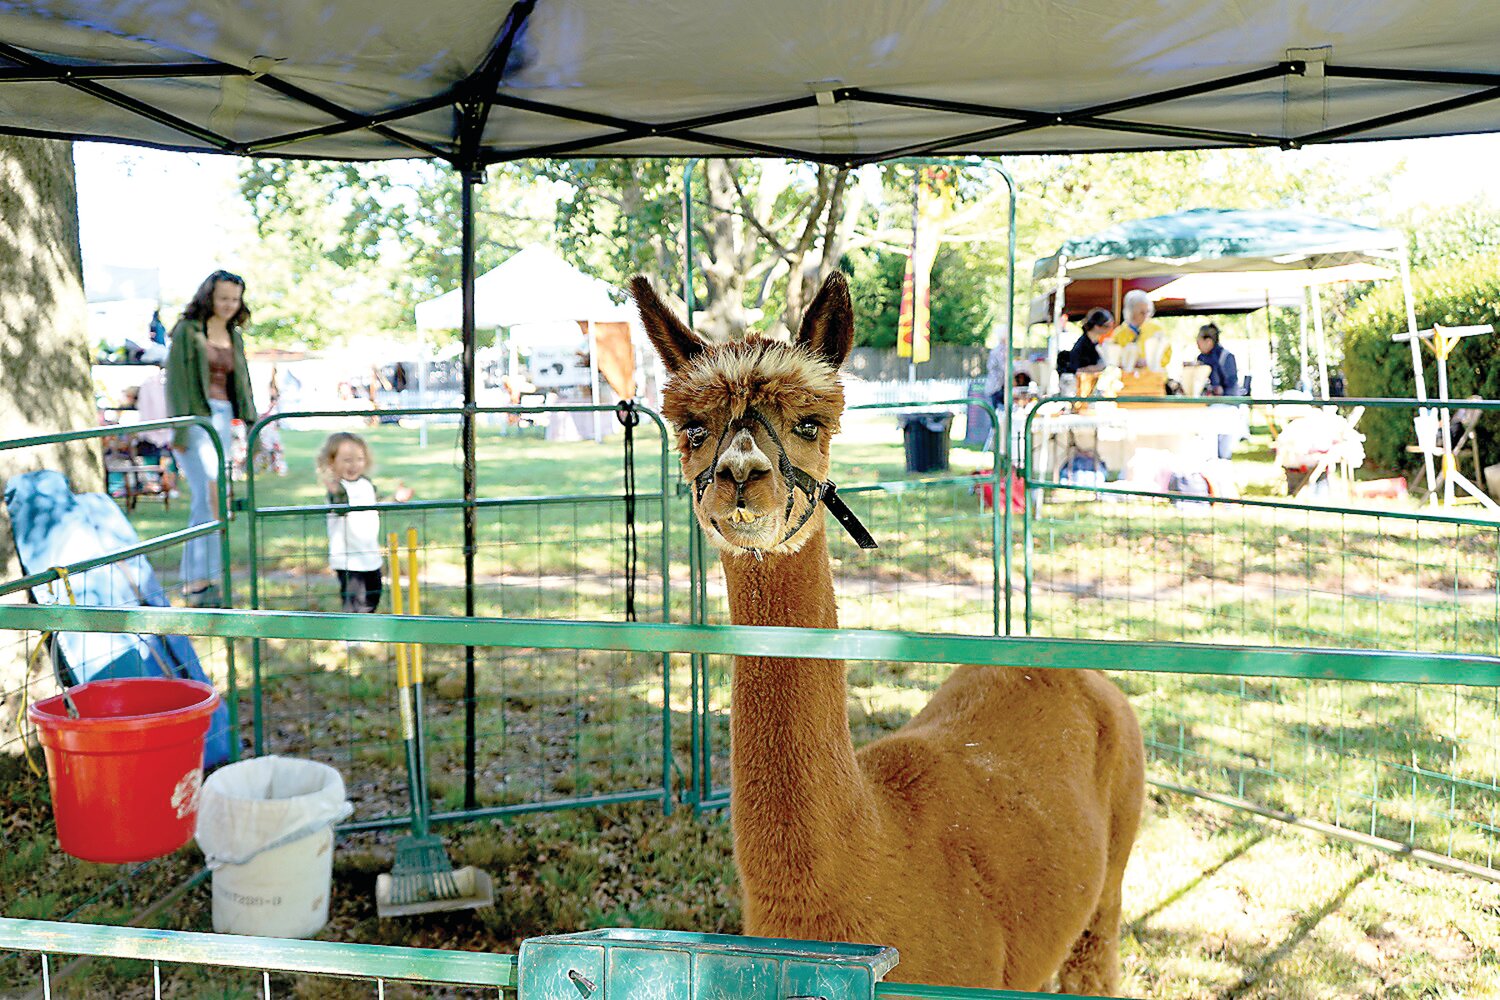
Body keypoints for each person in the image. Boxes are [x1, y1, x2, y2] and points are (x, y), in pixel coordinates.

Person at [164, 270, 258, 607]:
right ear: (209, 296)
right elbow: (174, 382)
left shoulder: (234, 335)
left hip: (222, 419)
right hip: (196, 417)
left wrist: (250, 425)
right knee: (205, 496)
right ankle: (195, 582)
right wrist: (181, 428)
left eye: (235, 299)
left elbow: (242, 384)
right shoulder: (188, 332)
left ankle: (213, 576)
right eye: (223, 298)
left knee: (221, 497)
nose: (230, 305)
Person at [316, 432, 415, 613]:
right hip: (348, 559)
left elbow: (377, 504)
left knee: (373, 595)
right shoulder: (338, 489)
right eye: (347, 460)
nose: (354, 465)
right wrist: (333, 487)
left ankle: (362, 632)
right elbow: (339, 506)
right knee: (355, 601)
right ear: (331, 462)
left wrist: (396, 498)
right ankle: (352, 638)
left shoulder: (366, 484)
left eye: (359, 459)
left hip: (370, 554)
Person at [1115, 290, 1171, 372]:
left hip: (1153, 379)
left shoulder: (1157, 329)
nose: (1145, 316)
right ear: (1131, 312)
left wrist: (1150, 362)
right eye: (1141, 312)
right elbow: (1114, 360)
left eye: (1147, 312)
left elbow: (1167, 354)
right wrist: (1131, 362)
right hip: (1129, 380)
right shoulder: (1119, 333)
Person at [1056, 307, 1115, 375]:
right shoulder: (1082, 345)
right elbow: (1076, 370)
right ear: (1097, 326)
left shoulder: (1096, 343)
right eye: (1107, 326)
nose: (1110, 329)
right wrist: (1097, 368)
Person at [1194, 323, 1241, 396]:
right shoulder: (1201, 358)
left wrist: (1218, 388)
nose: (1197, 346)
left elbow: (1231, 383)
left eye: (1198, 343)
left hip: (1228, 402)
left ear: (1208, 341)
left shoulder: (1226, 357)